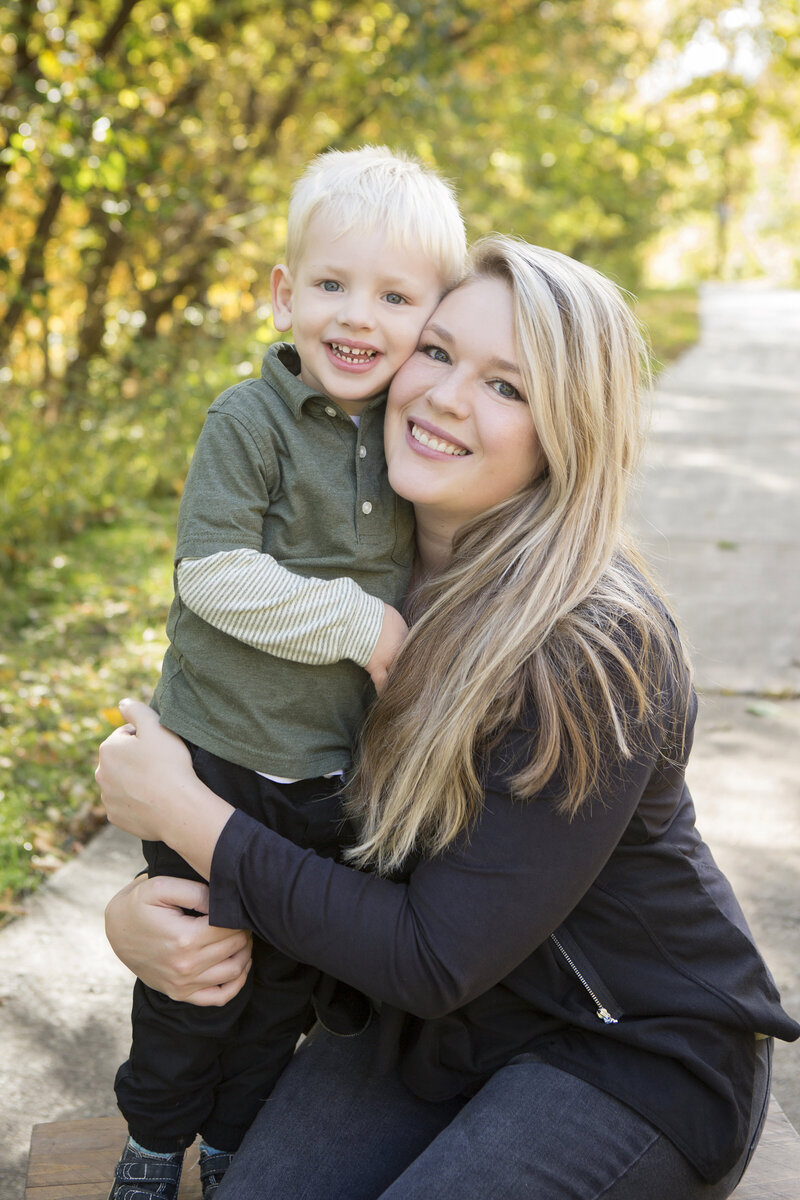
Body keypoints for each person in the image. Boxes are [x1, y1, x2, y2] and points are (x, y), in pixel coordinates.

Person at [97, 236, 800, 1200]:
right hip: (418, 1035)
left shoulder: (594, 644)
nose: (446, 398)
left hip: (622, 1047)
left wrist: (186, 820)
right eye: (436, 352)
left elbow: (432, 952)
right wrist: (139, 917)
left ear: (568, 432)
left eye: (508, 387)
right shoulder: (327, 589)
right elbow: (264, 797)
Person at [106, 145, 467, 1200]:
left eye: (392, 296)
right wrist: (360, 622)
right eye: (330, 285)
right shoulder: (249, 421)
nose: (357, 317)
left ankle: (231, 1147)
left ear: (429, 320)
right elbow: (213, 574)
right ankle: (151, 1140)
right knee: (196, 979)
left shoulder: (409, 437)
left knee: (285, 986)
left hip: (324, 776)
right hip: (216, 759)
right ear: (283, 293)